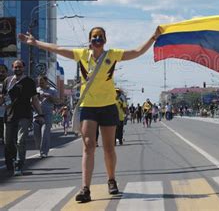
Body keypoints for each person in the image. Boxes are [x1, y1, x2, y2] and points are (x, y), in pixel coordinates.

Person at [19, 25, 161, 202]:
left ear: (105, 40)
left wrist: (153, 37)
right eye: (94, 37)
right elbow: (58, 49)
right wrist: (35, 42)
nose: (97, 39)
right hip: (89, 106)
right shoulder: (82, 55)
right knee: (88, 145)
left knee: (109, 148)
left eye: (100, 36)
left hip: (109, 106)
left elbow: (137, 52)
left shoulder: (112, 55)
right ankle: (85, 188)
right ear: (90, 40)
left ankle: (111, 179)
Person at [1, 60, 44, 176]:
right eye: (15, 67)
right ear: (12, 68)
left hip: (24, 115)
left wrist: (40, 113)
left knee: (21, 141)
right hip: (9, 115)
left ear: (23, 68)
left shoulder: (29, 82)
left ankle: (19, 164)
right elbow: (3, 97)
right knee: (8, 142)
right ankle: (13, 160)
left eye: (19, 67)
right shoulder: (7, 81)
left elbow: (34, 99)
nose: (17, 69)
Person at [33, 75, 59, 158]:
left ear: (46, 82)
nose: (40, 83)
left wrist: (49, 96)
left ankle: (44, 152)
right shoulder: (36, 90)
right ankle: (40, 148)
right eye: (39, 82)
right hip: (36, 115)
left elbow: (57, 101)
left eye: (42, 82)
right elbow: (31, 102)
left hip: (47, 114)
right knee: (36, 135)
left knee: (45, 133)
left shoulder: (53, 90)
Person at [0, 63, 9, 145]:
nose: (1, 73)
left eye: (3, 71)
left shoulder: (11, 84)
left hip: (8, 113)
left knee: (6, 137)